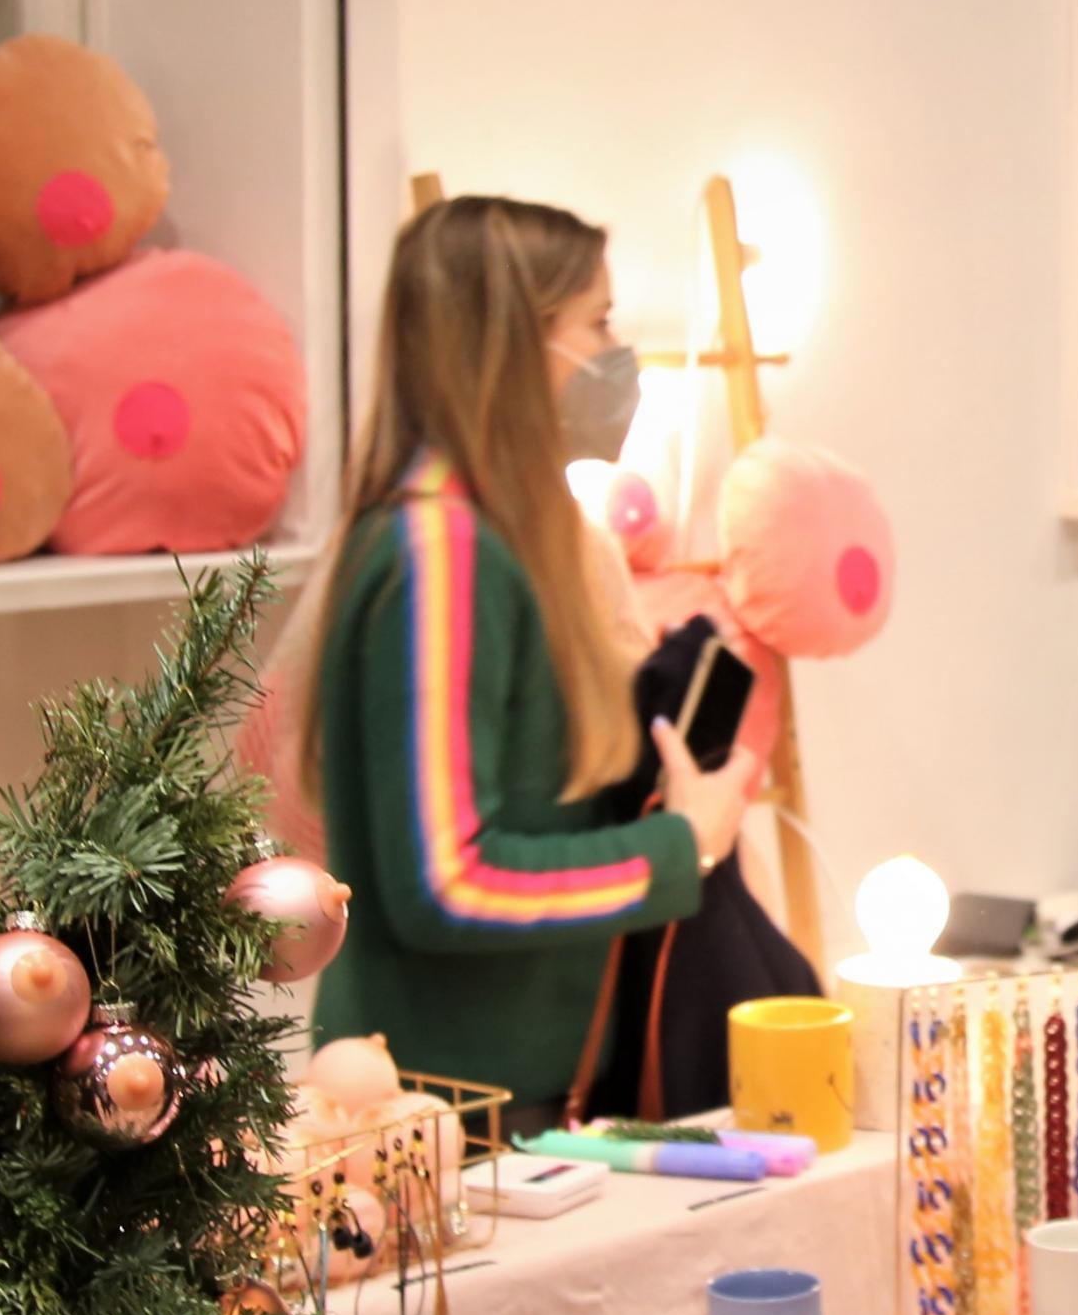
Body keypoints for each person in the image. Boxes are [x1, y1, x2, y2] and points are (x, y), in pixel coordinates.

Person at [300, 194, 759, 1111]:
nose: (616, 352)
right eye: (598, 321)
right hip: (449, 1115)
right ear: (515, 341)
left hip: (515, 1096)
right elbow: (448, 881)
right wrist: (679, 849)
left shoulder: (500, 540)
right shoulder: (442, 553)